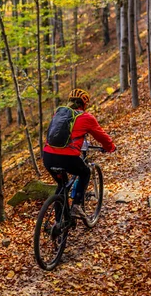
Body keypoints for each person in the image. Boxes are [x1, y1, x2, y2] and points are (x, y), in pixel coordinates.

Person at [42, 88, 116, 218]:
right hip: (67, 158)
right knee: (85, 172)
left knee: (62, 184)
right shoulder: (86, 117)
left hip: (48, 156)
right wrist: (110, 147)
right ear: (84, 104)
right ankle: (76, 206)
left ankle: (59, 222)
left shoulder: (58, 114)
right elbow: (101, 136)